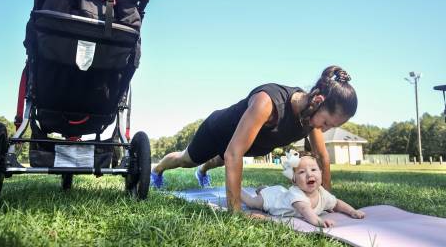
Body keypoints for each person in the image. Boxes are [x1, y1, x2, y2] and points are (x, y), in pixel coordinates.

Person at [151, 65, 357, 211]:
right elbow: (233, 153)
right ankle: (157, 170)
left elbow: (322, 158)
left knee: (219, 160)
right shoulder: (268, 102)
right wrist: (236, 210)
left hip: (247, 145)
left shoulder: (311, 117)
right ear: (318, 100)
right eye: (328, 123)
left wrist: (325, 202)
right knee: (186, 159)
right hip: (217, 131)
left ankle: (203, 170)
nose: (325, 129)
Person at [241, 152, 365, 227]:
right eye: (301, 171)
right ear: (294, 179)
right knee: (253, 203)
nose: (309, 174)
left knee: (273, 191)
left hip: (282, 193)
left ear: (321, 173)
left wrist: (352, 211)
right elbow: (306, 210)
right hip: (272, 200)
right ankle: (238, 190)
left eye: (313, 170)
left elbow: (336, 203)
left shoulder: (322, 192)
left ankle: (263, 188)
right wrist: (319, 222)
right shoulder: (297, 193)